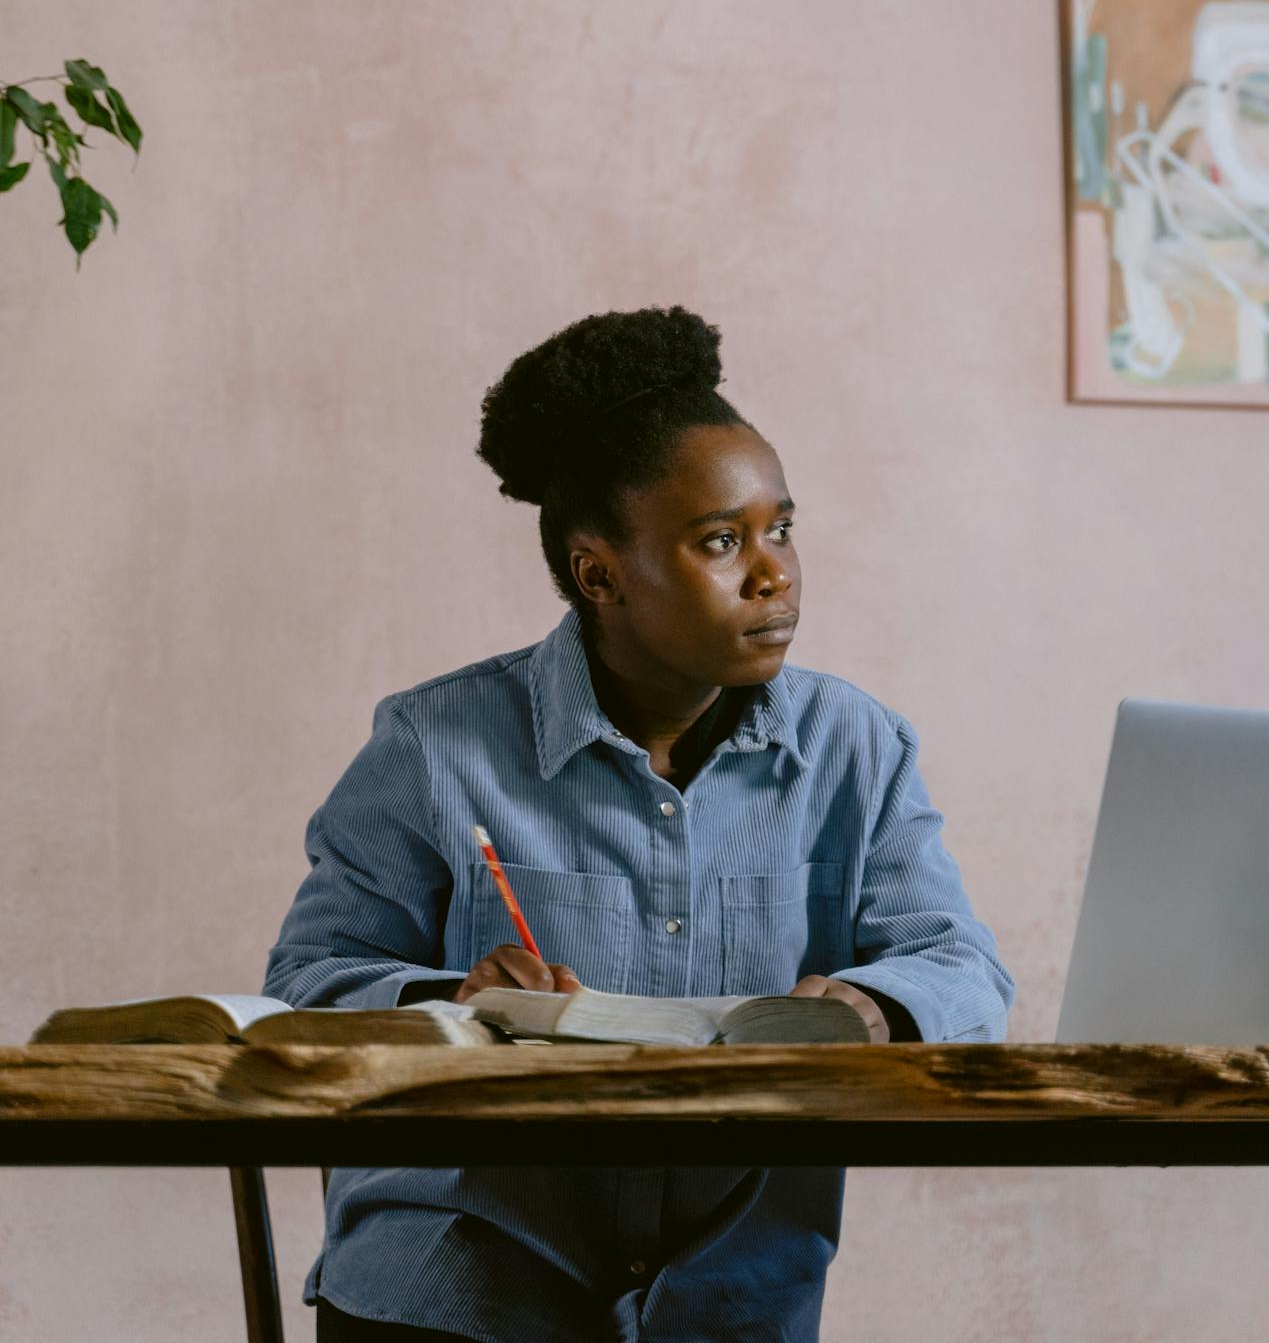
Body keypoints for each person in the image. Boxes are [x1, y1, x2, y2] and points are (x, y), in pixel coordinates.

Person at [263, 304, 1015, 1342]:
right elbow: (306, 983)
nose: (774, 571)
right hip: (459, 1285)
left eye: (781, 527)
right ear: (598, 572)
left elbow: (964, 965)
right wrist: (452, 995)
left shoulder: (858, 748)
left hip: (727, 1295)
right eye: (721, 540)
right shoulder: (435, 744)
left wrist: (872, 1004)